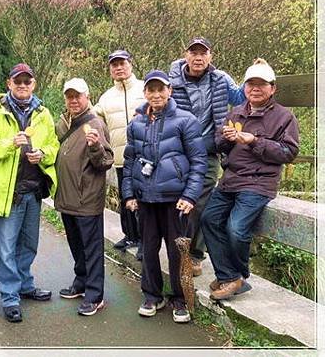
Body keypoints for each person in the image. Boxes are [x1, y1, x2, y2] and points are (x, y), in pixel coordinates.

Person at [201, 59, 299, 300]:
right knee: (208, 219)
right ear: (244, 87)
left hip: (259, 183)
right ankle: (230, 276)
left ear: (272, 88)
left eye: (261, 84)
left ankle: (235, 276)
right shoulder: (236, 112)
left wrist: (254, 141)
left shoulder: (284, 117)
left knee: (236, 229)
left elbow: (289, 152)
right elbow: (219, 144)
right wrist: (225, 137)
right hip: (231, 180)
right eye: (250, 84)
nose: (255, 89)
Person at [0, 63, 59, 323]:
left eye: (27, 81)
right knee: (6, 248)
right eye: (17, 81)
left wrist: (42, 153)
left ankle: (24, 284)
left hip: (34, 191)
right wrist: (9, 143)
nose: (22, 86)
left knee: (29, 244)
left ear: (33, 84)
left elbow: (53, 143)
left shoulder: (43, 113)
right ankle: (10, 297)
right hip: (7, 193)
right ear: (8, 83)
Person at [122, 70, 206, 323]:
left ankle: (181, 299)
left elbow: (199, 162)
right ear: (145, 93)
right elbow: (129, 162)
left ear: (169, 90)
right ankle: (152, 295)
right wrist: (129, 195)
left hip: (176, 200)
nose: (156, 94)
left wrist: (190, 196)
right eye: (151, 90)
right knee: (147, 249)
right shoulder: (136, 123)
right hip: (146, 198)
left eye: (161, 89)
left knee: (178, 251)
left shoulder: (186, 120)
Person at [169, 37, 245, 276]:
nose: (198, 57)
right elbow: (156, 101)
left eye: (203, 53)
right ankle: (177, 250)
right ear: (186, 55)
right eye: (194, 52)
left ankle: (194, 255)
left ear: (211, 56)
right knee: (177, 200)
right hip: (179, 151)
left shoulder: (221, 79)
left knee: (200, 204)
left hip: (209, 151)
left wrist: (257, 73)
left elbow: (240, 97)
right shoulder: (173, 80)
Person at [55, 78, 114, 316]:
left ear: (87, 96)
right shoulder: (63, 123)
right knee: (76, 245)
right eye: (69, 96)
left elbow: (105, 162)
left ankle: (95, 295)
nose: (74, 100)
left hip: (86, 198)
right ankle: (81, 282)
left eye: (78, 96)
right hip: (67, 198)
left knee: (91, 249)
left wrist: (95, 148)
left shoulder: (95, 124)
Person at [94, 49, 145, 258]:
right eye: (114, 65)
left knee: (144, 199)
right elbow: (93, 117)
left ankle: (145, 241)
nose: (118, 68)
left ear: (130, 64)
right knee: (126, 197)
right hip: (120, 157)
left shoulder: (145, 89)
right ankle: (130, 235)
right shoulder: (106, 97)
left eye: (122, 63)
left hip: (145, 156)